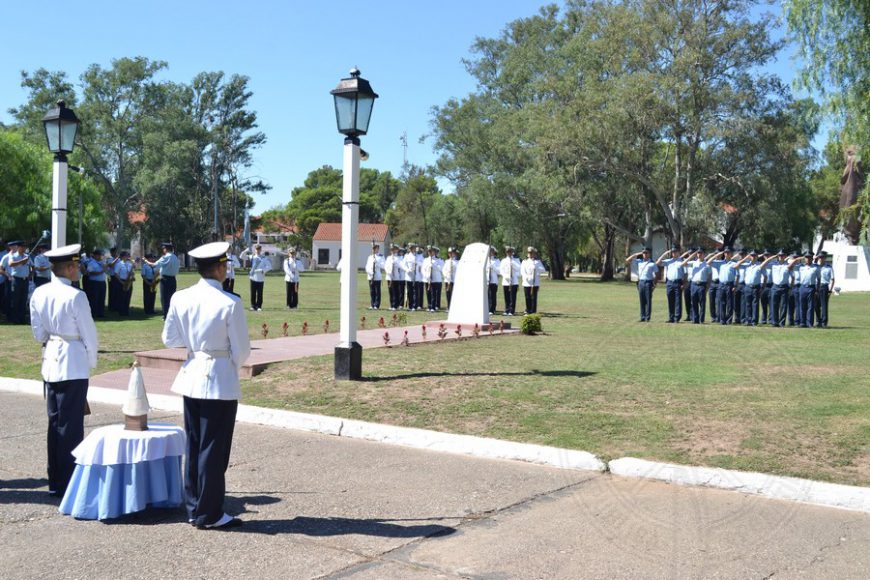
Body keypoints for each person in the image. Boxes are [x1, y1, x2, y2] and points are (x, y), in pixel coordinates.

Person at [162, 240, 250, 529]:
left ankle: (194, 506)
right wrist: (229, 367)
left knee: (196, 443)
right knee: (214, 448)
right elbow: (242, 351)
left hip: (191, 374)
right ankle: (210, 513)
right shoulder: (230, 302)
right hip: (219, 377)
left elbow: (170, 339)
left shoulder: (180, 297)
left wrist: (195, 348)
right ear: (220, 267)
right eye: (225, 265)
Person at [29, 243, 98, 497]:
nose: (78, 269)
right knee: (71, 426)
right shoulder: (76, 296)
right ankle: (69, 482)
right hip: (73, 361)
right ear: (68, 268)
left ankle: (56, 480)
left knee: (55, 423)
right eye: (76, 265)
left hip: (51, 361)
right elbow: (89, 334)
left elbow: (38, 333)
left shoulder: (39, 293)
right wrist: (91, 361)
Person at [144, 242, 180, 319]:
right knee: (171, 298)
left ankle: (166, 315)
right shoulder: (175, 257)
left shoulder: (165, 257)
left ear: (165, 249)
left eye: (163, 248)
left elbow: (153, 265)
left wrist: (146, 261)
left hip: (165, 279)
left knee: (164, 298)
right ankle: (172, 314)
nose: (163, 250)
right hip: (173, 279)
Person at [656, 245, 688, 323]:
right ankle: (671, 317)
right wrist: (665, 253)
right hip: (669, 283)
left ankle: (677, 317)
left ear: (678, 252)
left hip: (678, 282)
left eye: (675, 252)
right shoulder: (668, 261)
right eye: (672, 252)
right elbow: (657, 263)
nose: (674, 253)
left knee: (678, 301)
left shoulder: (682, 261)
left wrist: (684, 283)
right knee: (670, 300)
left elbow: (685, 273)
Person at [626, 247, 658, 321]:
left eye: (646, 253)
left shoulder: (652, 263)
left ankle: (647, 317)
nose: (645, 254)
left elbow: (657, 275)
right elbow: (627, 260)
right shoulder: (639, 261)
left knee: (648, 300)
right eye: (644, 253)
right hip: (641, 282)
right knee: (642, 300)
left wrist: (654, 285)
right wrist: (638, 253)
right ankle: (642, 317)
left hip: (648, 282)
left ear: (649, 254)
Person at [5, 240, 30, 324]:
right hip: (17, 279)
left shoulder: (27, 256)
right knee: (16, 299)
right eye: (22, 247)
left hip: (25, 280)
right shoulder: (13, 255)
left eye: (25, 247)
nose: (24, 248)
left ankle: (22, 318)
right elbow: (11, 264)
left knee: (23, 299)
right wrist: (21, 261)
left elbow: (31, 266)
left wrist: (30, 272)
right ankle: (14, 319)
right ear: (18, 247)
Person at [796, 251, 820, 328]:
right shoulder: (800, 267)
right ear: (804, 258)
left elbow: (819, 279)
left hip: (811, 287)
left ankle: (809, 323)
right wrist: (801, 258)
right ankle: (802, 322)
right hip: (802, 287)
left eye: (809, 257)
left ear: (812, 258)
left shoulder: (816, 267)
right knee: (802, 306)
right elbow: (790, 265)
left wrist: (817, 290)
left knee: (811, 306)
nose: (808, 259)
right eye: (806, 257)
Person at [521, 246, 547, 314]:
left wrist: (537, 268)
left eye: (531, 253)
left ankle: (533, 311)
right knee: (527, 297)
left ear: (534, 254)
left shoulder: (537, 262)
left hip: (535, 283)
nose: (530, 254)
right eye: (529, 253)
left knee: (533, 297)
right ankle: (528, 310)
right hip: (527, 282)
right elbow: (522, 271)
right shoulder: (524, 261)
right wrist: (526, 277)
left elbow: (543, 270)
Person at [686, 248, 709, 323]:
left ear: (704, 254)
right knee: (694, 303)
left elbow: (710, 277)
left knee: (702, 304)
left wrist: (707, 287)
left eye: (701, 253)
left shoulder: (707, 264)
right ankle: (695, 319)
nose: (699, 255)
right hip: (694, 284)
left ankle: (701, 319)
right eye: (698, 253)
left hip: (702, 284)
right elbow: (683, 263)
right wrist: (693, 254)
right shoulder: (693, 263)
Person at [84, 248, 107, 318]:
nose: (100, 256)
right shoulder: (92, 263)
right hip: (94, 283)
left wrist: (104, 268)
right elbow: (89, 272)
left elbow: (106, 270)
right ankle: (93, 313)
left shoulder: (102, 263)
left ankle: (101, 313)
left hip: (102, 282)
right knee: (94, 298)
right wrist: (100, 272)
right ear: (95, 256)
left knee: (102, 298)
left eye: (101, 255)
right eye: (99, 255)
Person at [500, 246, 521, 316]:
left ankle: (511, 311)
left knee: (513, 297)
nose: (509, 253)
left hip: (514, 281)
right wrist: (506, 276)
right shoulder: (503, 260)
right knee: (506, 296)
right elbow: (501, 270)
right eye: (508, 252)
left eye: (510, 252)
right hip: (506, 281)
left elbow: (519, 268)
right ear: (506, 253)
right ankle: (506, 309)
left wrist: (513, 264)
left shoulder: (516, 260)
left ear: (512, 253)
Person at [248, 245, 269, 311]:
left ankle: (259, 306)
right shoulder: (252, 256)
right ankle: (253, 306)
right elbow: (241, 257)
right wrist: (244, 251)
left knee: (260, 293)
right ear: (255, 250)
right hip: (253, 277)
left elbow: (269, 266)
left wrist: (262, 270)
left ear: (261, 250)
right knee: (253, 292)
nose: (257, 250)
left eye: (259, 249)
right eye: (256, 249)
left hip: (260, 278)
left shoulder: (264, 258)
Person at [364, 244, 384, 310]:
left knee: (377, 291)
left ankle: (376, 305)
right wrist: (370, 272)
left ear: (378, 249)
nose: (374, 250)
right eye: (373, 248)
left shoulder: (381, 256)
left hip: (377, 276)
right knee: (372, 291)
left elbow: (383, 265)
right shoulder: (370, 257)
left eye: (376, 248)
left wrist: (377, 263)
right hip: (371, 276)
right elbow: (367, 266)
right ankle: (372, 304)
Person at [115, 251, 135, 316]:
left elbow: (131, 272)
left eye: (128, 256)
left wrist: (132, 275)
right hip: (122, 281)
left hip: (129, 281)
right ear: (123, 256)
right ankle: (121, 311)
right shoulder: (119, 264)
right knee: (121, 297)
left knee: (128, 296)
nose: (128, 257)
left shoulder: (129, 264)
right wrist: (121, 282)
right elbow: (116, 274)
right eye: (126, 256)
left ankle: (126, 310)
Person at [383, 244, 401, 310]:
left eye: (394, 250)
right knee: (390, 291)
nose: (392, 251)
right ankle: (391, 305)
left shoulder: (398, 258)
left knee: (395, 291)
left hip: (395, 277)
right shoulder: (388, 258)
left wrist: (395, 264)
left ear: (396, 250)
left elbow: (400, 265)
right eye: (391, 250)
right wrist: (388, 272)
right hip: (389, 276)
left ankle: (395, 305)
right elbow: (386, 266)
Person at [403, 243, 418, 310]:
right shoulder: (407, 256)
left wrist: (417, 263)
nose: (413, 249)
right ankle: (410, 305)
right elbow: (403, 265)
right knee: (409, 292)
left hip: (416, 276)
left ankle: (415, 306)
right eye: (412, 248)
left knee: (415, 292)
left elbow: (422, 263)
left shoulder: (417, 256)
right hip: (409, 276)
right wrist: (407, 270)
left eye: (414, 248)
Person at [486, 247, 500, 315]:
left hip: (494, 281)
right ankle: (487, 308)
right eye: (489, 252)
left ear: (494, 253)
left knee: (493, 296)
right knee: (487, 295)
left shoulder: (497, 261)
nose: (490, 253)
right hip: (487, 281)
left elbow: (499, 271)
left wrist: (493, 266)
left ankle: (492, 309)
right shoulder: (485, 260)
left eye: (491, 252)